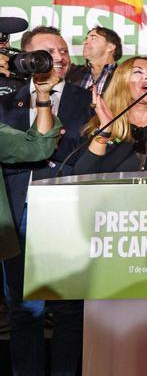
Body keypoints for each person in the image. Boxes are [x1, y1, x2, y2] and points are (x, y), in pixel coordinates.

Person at [0, 28, 71, 376]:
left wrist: (43, 99)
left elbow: (39, 145)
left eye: (61, 50)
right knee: (24, 309)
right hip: (17, 209)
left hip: (60, 212)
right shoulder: (6, 96)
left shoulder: (80, 97)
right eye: (44, 53)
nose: (54, 59)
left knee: (53, 309)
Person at [75, 56, 147, 174]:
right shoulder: (99, 125)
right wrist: (105, 130)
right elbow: (81, 175)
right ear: (122, 83)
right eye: (138, 72)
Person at [66, 25, 121, 95]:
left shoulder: (125, 76)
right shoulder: (71, 72)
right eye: (86, 39)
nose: (85, 42)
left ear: (110, 47)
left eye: (93, 38)